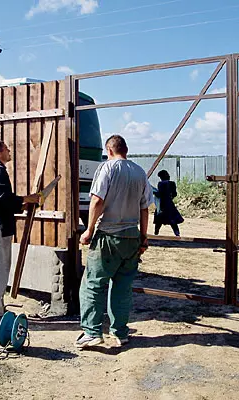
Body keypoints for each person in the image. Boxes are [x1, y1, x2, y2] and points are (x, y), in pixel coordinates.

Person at [75, 135, 153, 349]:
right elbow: (145, 208)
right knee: (122, 287)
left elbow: (97, 200)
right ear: (126, 150)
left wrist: (89, 230)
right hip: (131, 237)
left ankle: (92, 332)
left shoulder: (107, 168)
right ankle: (120, 332)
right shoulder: (139, 172)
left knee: (93, 284)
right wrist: (143, 237)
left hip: (108, 236)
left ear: (109, 150)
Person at [0, 140, 40, 321]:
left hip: (0, 226)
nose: (9, 151)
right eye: (6, 149)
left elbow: (3, 201)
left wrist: (22, 205)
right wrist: (26, 198)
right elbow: (3, 198)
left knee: (1, 268)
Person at [153, 170, 184, 237]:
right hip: (169, 204)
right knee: (173, 220)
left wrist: (153, 191)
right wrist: (170, 198)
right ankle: (177, 234)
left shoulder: (161, 184)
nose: (169, 175)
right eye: (167, 174)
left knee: (159, 220)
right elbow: (175, 194)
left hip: (162, 205)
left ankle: (156, 233)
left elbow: (160, 194)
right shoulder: (172, 183)